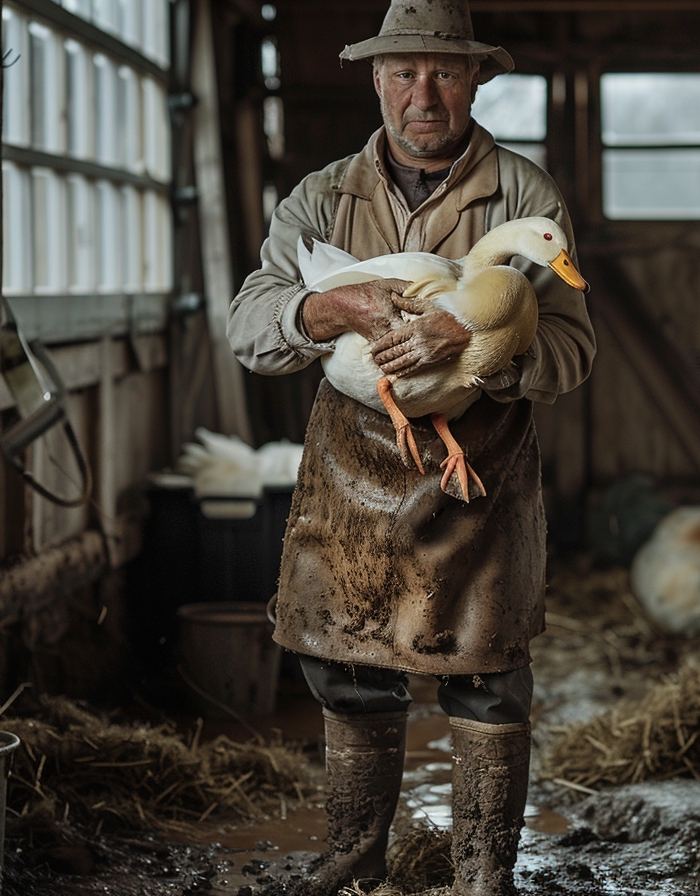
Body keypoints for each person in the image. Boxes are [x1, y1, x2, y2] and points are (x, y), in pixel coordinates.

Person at [226, 2, 595, 893]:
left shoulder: (524, 197)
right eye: (403, 72)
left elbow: (574, 349)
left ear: (474, 81)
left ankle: (481, 878)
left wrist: (478, 344)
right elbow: (249, 325)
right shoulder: (321, 197)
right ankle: (356, 864)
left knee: (489, 673)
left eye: (443, 72)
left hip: (481, 474)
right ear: (376, 79)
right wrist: (331, 309)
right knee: (347, 665)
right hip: (353, 465)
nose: (421, 93)